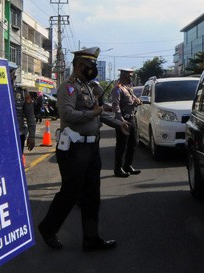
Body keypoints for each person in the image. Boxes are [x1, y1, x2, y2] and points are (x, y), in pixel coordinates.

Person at [37, 47, 117, 252]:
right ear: (79, 65)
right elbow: (67, 113)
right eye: (89, 66)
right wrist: (92, 113)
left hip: (91, 148)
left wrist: (119, 124)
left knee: (92, 196)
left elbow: (98, 112)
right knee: (70, 193)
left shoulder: (89, 87)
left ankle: (91, 239)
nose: (92, 70)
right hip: (74, 148)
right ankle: (48, 228)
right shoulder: (69, 87)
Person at [110, 68, 141, 177]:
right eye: (129, 76)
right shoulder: (117, 89)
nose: (131, 78)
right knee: (121, 146)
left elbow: (133, 100)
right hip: (123, 121)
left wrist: (137, 101)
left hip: (132, 119)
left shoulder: (128, 89)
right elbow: (115, 105)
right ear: (124, 76)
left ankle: (127, 165)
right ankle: (118, 169)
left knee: (133, 144)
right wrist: (121, 121)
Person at [9, 62, 36, 152]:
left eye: (12, 75)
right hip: (0, 135)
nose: (11, 77)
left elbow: (30, 116)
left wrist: (31, 136)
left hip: (18, 134)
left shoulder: (22, 93)